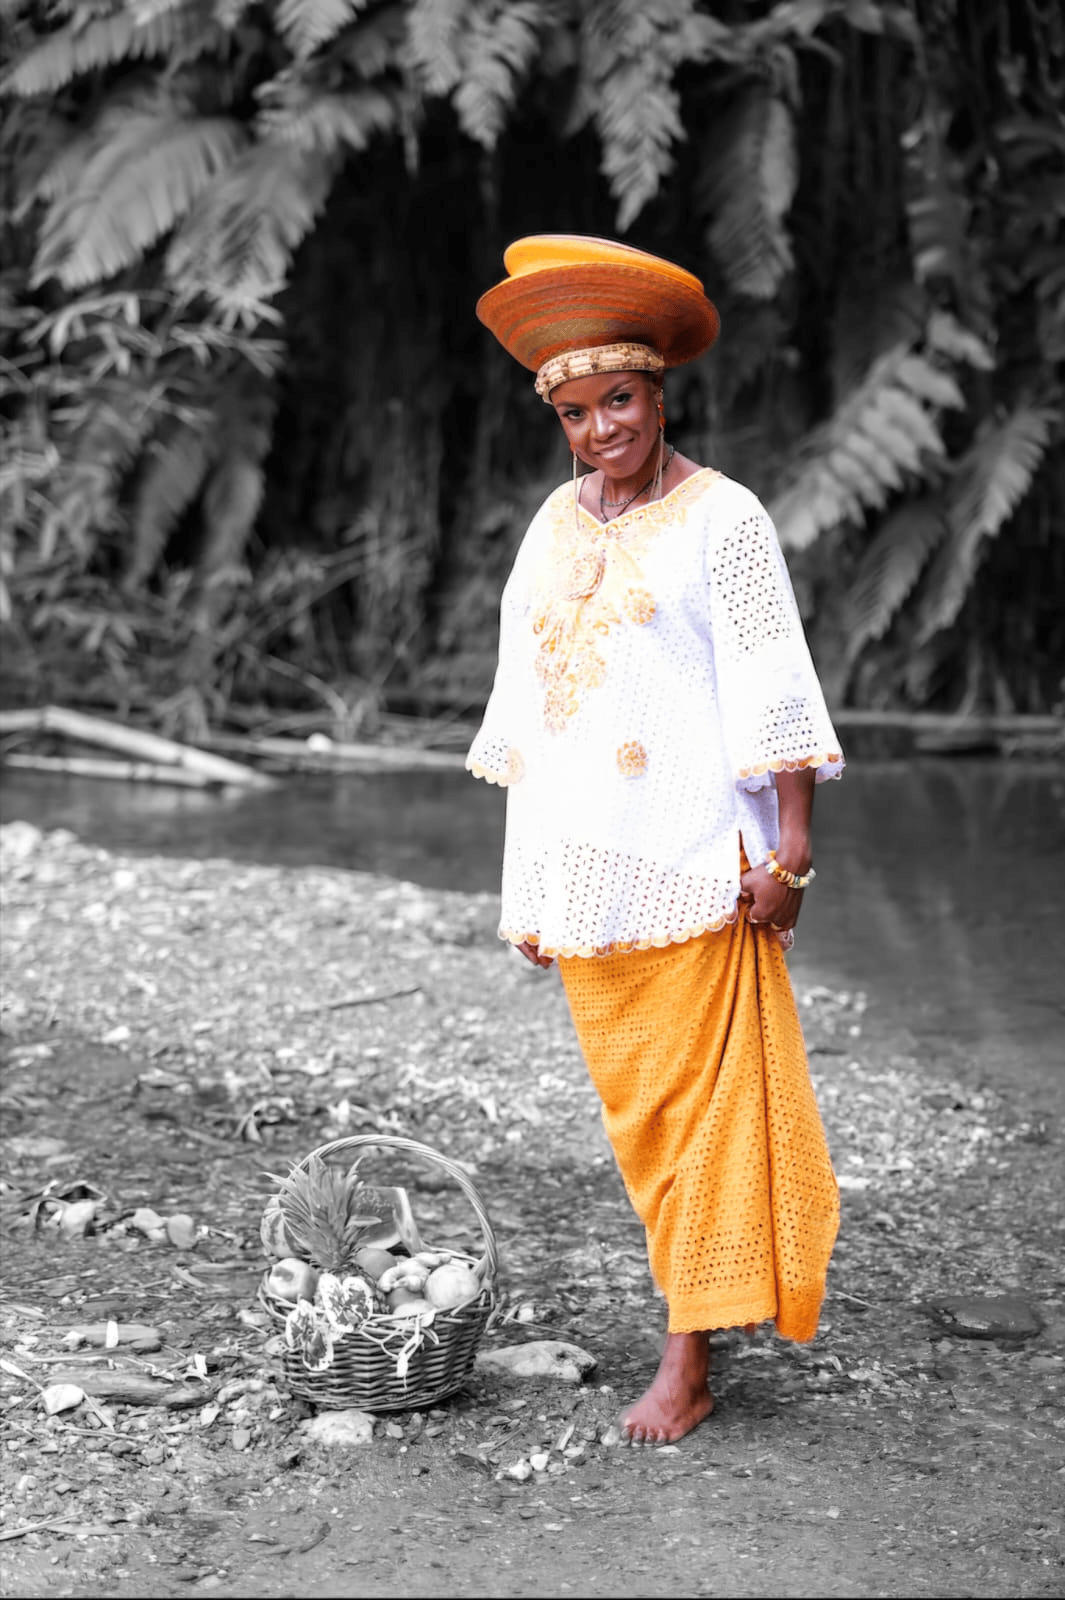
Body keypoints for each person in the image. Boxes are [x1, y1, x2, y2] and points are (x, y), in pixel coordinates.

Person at [466, 235, 843, 1445]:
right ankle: (705, 1305)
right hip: (590, 871)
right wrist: (532, 887)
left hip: (698, 862)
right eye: (575, 413)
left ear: (659, 392)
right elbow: (535, 716)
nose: (600, 431)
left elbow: (775, 687)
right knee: (641, 1123)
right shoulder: (551, 524)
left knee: (702, 1119)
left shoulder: (726, 520)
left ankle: (688, 1357)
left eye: (618, 400)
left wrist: (790, 854)